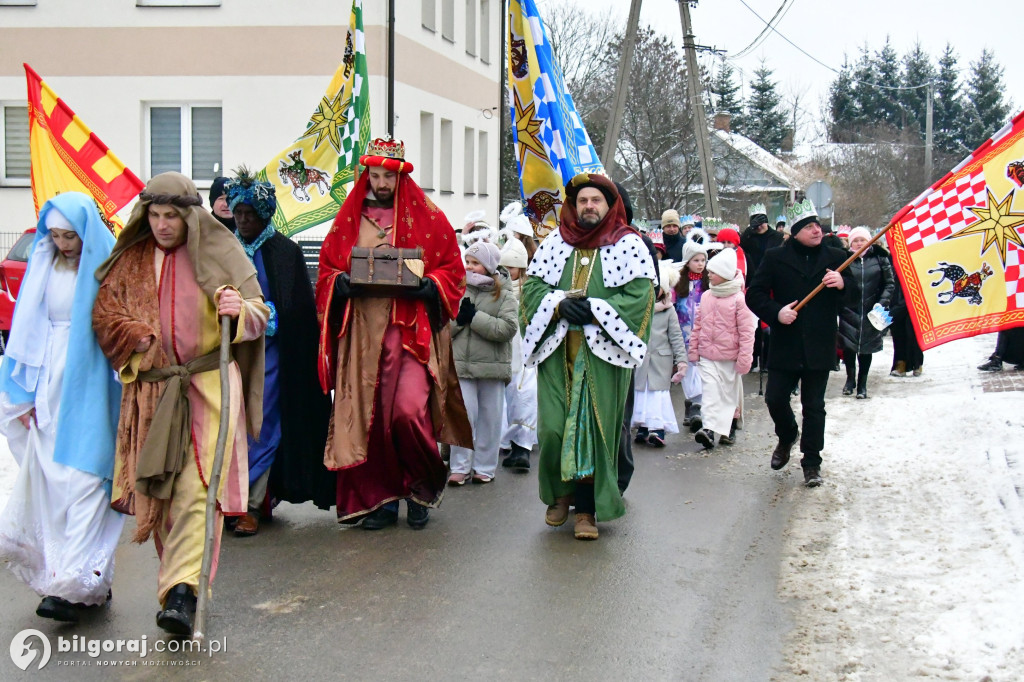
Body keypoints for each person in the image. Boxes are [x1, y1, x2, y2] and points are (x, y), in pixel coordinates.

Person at [93, 172, 269, 636]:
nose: (163, 225)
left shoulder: (219, 251)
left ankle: (183, 593)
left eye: (172, 215)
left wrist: (240, 311)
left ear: (190, 215)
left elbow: (259, 312)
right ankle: (178, 583)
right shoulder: (130, 261)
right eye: (154, 215)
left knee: (197, 492)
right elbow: (105, 316)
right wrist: (135, 337)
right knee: (163, 497)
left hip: (208, 387)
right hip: (152, 394)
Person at [315, 138, 471, 531]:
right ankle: (381, 498)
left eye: (389, 175)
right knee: (370, 419)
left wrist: (430, 285)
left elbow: (453, 268)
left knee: (406, 413)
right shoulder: (350, 218)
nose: (382, 183)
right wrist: (341, 284)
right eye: (375, 175)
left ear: (400, 176)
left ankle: (420, 485)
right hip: (364, 336)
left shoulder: (428, 217)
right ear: (366, 175)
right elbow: (327, 270)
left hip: (410, 334)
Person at [0, 193, 124, 624]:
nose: (63, 243)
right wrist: (26, 393)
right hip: (48, 382)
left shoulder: (105, 266)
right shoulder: (43, 264)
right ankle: (73, 579)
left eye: (70, 235)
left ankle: (77, 581)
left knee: (87, 481)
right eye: (54, 236)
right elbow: (27, 329)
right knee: (55, 485)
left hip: (91, 382)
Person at [521, 173, 655, 541]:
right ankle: (559, 496)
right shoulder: (554, 242)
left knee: (593, 433)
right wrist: (558, 305)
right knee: (552, 429)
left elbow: (639, 297)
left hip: (603, 356)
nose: (589, 206)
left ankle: (586, 511)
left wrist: (595, 309)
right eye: (583, 201)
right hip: (558, 351)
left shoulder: (629, 245)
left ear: (609, 206)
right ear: (573, 206)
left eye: (596, 200)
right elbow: (532, 289)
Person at [224, 169, 333, 536]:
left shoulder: (285, 252)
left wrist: (261, 316)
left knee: (262, 426)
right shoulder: (225, 248)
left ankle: (252, 504)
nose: (243, 221)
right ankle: (233, 500)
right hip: (231, 354)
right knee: (231, 425)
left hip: (272, 357)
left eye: (250, 215)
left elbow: (298, 309)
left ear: (265, 214)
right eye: (238, 214)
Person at [745, 199, 853, 487]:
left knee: (814, 406)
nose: (816, 230)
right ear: (795, 232)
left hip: (819, 342)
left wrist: (842, 284)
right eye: (808, 226)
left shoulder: (835, 255)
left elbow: (853, 295)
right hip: (786, 343)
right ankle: (788, 434)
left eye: (817, 224)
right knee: (775, 398)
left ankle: (812, 462)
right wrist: (776, 312)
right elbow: (754, 294)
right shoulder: (775, 257)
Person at [447, 241, 518, 485]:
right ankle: (459, 467)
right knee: (463, 416)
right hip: (462, 365)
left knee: (490, 417)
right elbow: (443, 328)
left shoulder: (505, 293)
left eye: (475, 263)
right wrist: (459, 319)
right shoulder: (457, 289)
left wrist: (475, 318)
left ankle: (485, 467)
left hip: (492, 366)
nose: (469, 267)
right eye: (468, 262)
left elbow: (507, 329)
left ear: (488, 266)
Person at [688, 248, 757, 449]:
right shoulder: (707, 296)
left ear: (725, 274)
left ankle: (730, 427)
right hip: (708, 355)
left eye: (713, 272)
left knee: (728, 394)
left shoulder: (740, 300)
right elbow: (698, 325)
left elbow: (747, 332)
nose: (708, 275)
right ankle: (708, 430)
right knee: (710, 391)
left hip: (730, 356)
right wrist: (694, 349)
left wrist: (745, 358)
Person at [631, 260, 686, 447]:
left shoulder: (669, 311)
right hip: (640, 360)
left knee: (658, 396)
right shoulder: (638, 310)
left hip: (660, 360)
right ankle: (643, 426)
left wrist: (682, 361)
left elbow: (676, 336)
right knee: (641, 393)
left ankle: (658, 428)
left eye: (658, 288)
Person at [838, 226, 895, 399]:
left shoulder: (880, 258)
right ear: (850, 242)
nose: (859, 243)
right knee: (848, 347)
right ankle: (850, 380)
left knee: (866, 349)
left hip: (871, 311)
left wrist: (881, 303)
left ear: (869, 241)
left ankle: (862, 384)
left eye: (862, 240)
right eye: (855, 240)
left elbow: (889, 283)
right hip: (849, 310)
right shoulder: (844, 258)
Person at [498, 232, 537, 471]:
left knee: (525, 395)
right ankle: (511, 443)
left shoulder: (530, 289)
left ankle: (524, 446)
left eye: (510, 268)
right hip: (505, 348)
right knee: (507, 397)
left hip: (526, 349)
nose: (505, 272)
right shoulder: (497, 288)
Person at [740, 204, 784, 371]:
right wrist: (749, 230)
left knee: (769, 322)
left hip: (772, 280)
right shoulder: (749, 237)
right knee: (754, 324)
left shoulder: (776, 237)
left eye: (762, 222)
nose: (760, 226)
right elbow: (741, 244)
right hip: (754, 280)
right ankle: (753, 359)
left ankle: (767, 360)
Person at [675, 237, 709, 430]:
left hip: (704, 335)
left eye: (703, 260)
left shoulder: (708, 283)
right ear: (688, 262)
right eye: (696, 260)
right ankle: (692, 405)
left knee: (702, 371)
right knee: (688, 371)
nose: (700, 264)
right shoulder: (678, 283)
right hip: (683, 335)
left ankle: (697, 407)